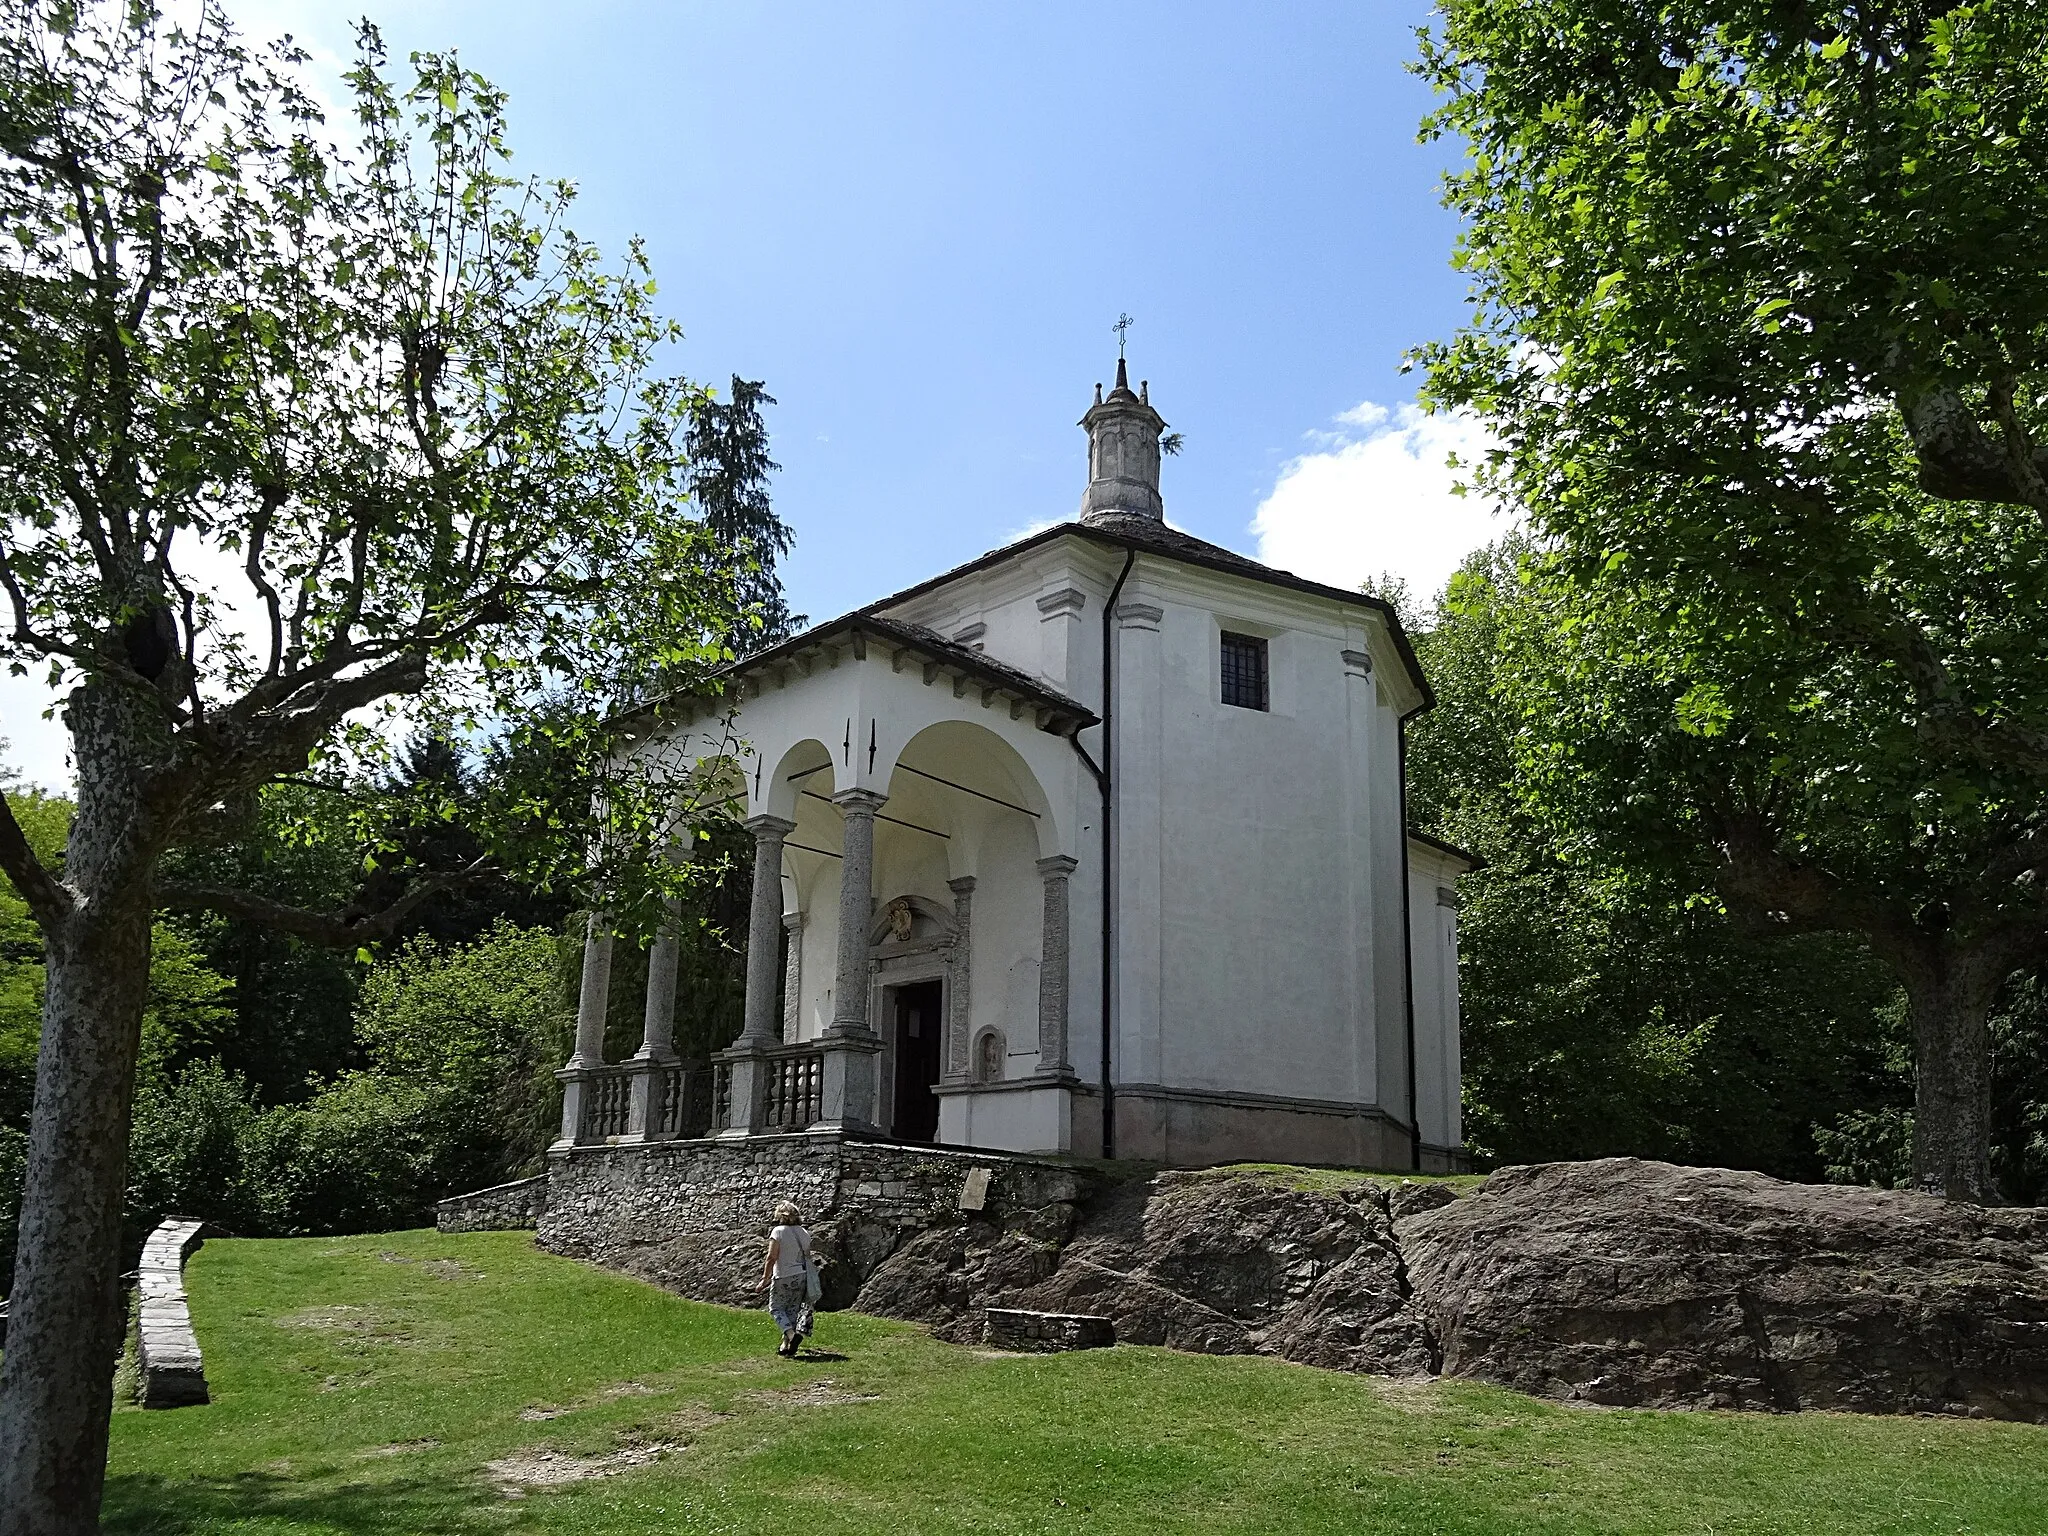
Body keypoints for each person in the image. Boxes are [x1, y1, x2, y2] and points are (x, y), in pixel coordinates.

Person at [760, 1200, 815, 1358]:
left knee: (776, 1308)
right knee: (792, 1310)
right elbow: (807, 1255)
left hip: (783, 1275)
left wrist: (765, 1278)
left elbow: (771, 1257)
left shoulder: (778, 1231)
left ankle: (791, 1336)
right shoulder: (804, 1233)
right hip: (801, 1274)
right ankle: (786, 1346)